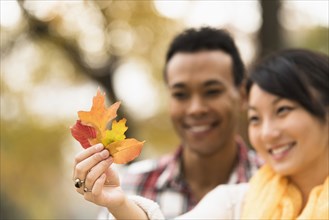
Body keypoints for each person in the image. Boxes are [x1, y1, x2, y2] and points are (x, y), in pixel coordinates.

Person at [73, 48, 329, 219]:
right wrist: (119, 204)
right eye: (255, 118)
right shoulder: (238, 204)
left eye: (283, 110)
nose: (267, 133)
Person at [73, 26, 262, 219]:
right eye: (181, 94)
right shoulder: (127, 187)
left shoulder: (275, 181)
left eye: (212, 91)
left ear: (242, 96)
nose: (196, 108)